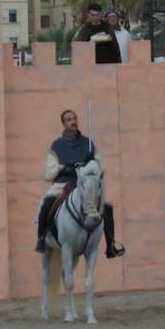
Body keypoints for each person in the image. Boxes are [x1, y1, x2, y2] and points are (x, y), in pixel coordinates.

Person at [35, 109, 126, 259]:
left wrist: (88, 165)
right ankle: (41, 239)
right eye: (69, 119)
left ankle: (110, 246)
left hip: (84, 184)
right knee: (47, 202)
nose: (73, 121)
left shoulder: (88, 144)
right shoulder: (57, 145)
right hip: (63, 183)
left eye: (75, 118)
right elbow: (48, 173)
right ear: (64, 124)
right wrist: (63, 166)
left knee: (107, 208)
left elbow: (98, 166)